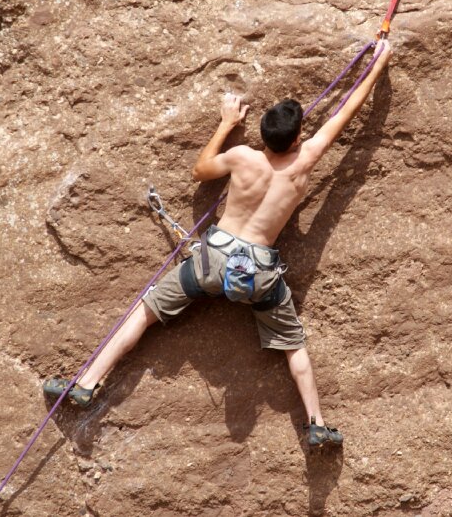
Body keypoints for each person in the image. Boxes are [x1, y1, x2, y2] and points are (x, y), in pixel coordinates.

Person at [44, 39, 392, 447]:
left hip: (212, 261)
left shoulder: (242, 156)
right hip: (259, 272)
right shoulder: (307, 158)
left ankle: (86, 384)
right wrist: (381, 59)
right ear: (297, 138)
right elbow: (346, 111)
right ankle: (316, 424)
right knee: (292, 345)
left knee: (143, 313)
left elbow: (199, 171)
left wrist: (227, 124)